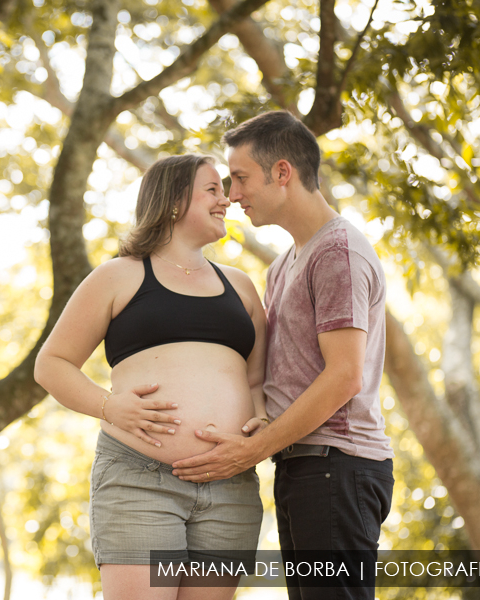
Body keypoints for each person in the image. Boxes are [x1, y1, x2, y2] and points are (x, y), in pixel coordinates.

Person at [171, 111, 394, 599]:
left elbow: (344, 377)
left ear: (282, 173)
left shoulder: (338, 253)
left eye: (240, 177)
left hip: (338, 465)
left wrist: (255, 447)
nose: (232, 194)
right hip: (306, 466)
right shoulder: (284, 265)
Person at [34, 154, 268, 600]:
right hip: (140, 480)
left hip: (229, 484)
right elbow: (52, 364)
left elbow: (257, 382)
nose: (227, 200)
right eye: (213, 190)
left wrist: (261, 426)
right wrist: (109, 406)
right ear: (176, 200)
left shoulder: (240, 286)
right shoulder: (118, 276)